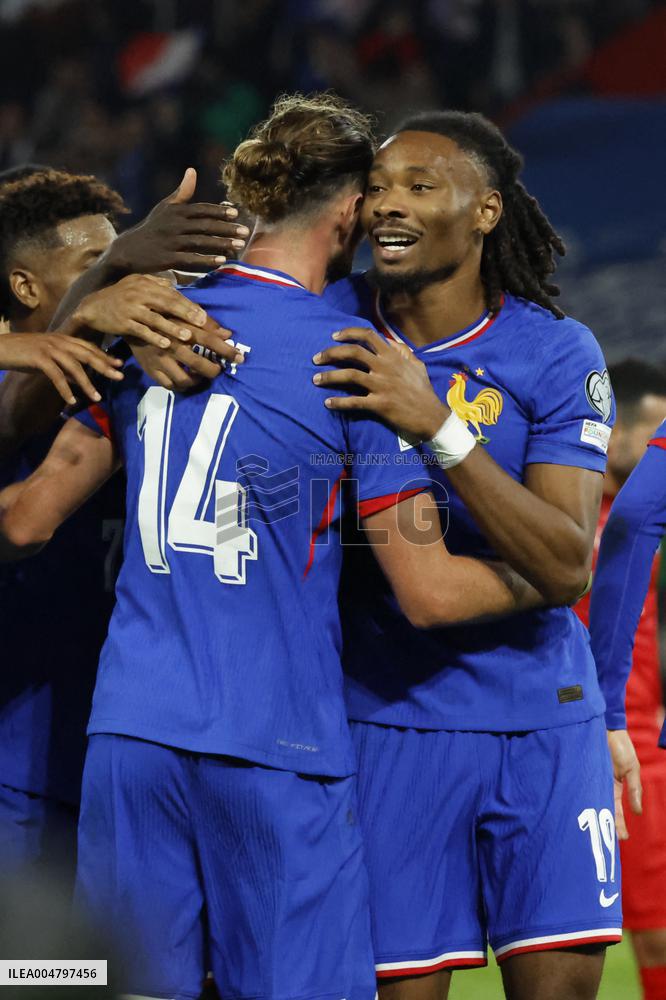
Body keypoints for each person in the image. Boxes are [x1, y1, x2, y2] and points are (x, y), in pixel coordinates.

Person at [0, 94, 544, 1000]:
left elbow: (24, 519)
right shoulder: (355, 359)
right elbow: (428, 587)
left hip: (131, 735)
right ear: (348, 213)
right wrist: (551, 569)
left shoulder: (148, 325)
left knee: (113, 986)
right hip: (275, 743)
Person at [312, 110, 619, 1000]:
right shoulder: (326, 323)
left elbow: (570, 558)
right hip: (387, 716)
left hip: (542, 718)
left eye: (419, 186)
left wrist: (436, 425)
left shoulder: (555, 353)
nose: (386, 207)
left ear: (486, 211)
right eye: (377, 187)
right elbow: (550, 567)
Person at [0, 167, 242, 881]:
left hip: (133, 753)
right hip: (18, 761)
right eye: (96, 263)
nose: (129, 281)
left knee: (120, 980)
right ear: (25, 287)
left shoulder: (136, 384)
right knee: (32, 977)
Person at [587, 362, 666, 1000]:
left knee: (657, 926)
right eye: (653, 430)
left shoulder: (638, 516)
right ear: (615, 434)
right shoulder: (563, 506)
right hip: (583, 731)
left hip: (639, 731)